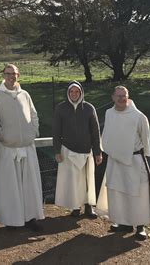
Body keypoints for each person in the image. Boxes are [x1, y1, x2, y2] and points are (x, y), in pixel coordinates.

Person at [0, 64, 44, 231]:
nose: (11, 76)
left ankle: (30, 218)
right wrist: (2, 135)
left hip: (27, 147)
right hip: (7, 149)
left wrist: (33, 132)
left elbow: (33, 115)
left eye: (14, 73)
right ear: (3, 75)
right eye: (8, 73)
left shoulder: (25, 95)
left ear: (18, 75)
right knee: (9, 187)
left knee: (29, 185)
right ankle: (11, 220)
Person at [99, 86, 150, 240]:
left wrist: (146, 154)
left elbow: (145, 137)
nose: (121, 98)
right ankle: (124, 223)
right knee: (119, 192)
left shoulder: (138, 116)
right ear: (112, 97)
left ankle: (140, 226)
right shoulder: (109, 113)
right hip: (115, 160)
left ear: (128, 97)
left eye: (124, 96)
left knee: (137, 193)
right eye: (118, 96)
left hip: (134, 160)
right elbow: (107, 134)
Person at [53, 81, 103, 218]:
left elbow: (95, 131)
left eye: (77, 92)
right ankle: (75, 207)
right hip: (68, 150)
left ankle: (88, 207)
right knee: (73, 181)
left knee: (87, 180)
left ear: (81, 93)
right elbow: (56, 131)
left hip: (86, 151)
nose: (74, 94)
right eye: (71, 91)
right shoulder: (60, 108)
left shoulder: (89, 108)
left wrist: (98, 152)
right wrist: (57, 150)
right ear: (67, 93)